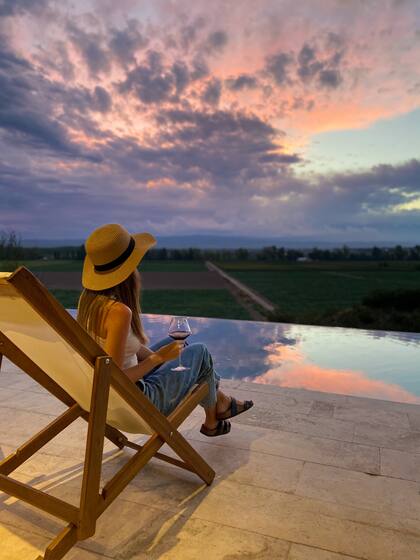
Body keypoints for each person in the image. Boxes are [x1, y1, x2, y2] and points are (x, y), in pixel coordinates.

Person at [77, 223, 253, 437]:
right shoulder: (119, 312)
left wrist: (164, 360)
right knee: (200, 352)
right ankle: (213, 419)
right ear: (128, 270)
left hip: (113, 398)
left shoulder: (89, 302)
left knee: (183, 347)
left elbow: (122, 349)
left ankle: (221, 404)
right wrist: (157, 360)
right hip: (138, 402)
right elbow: (113, 377)